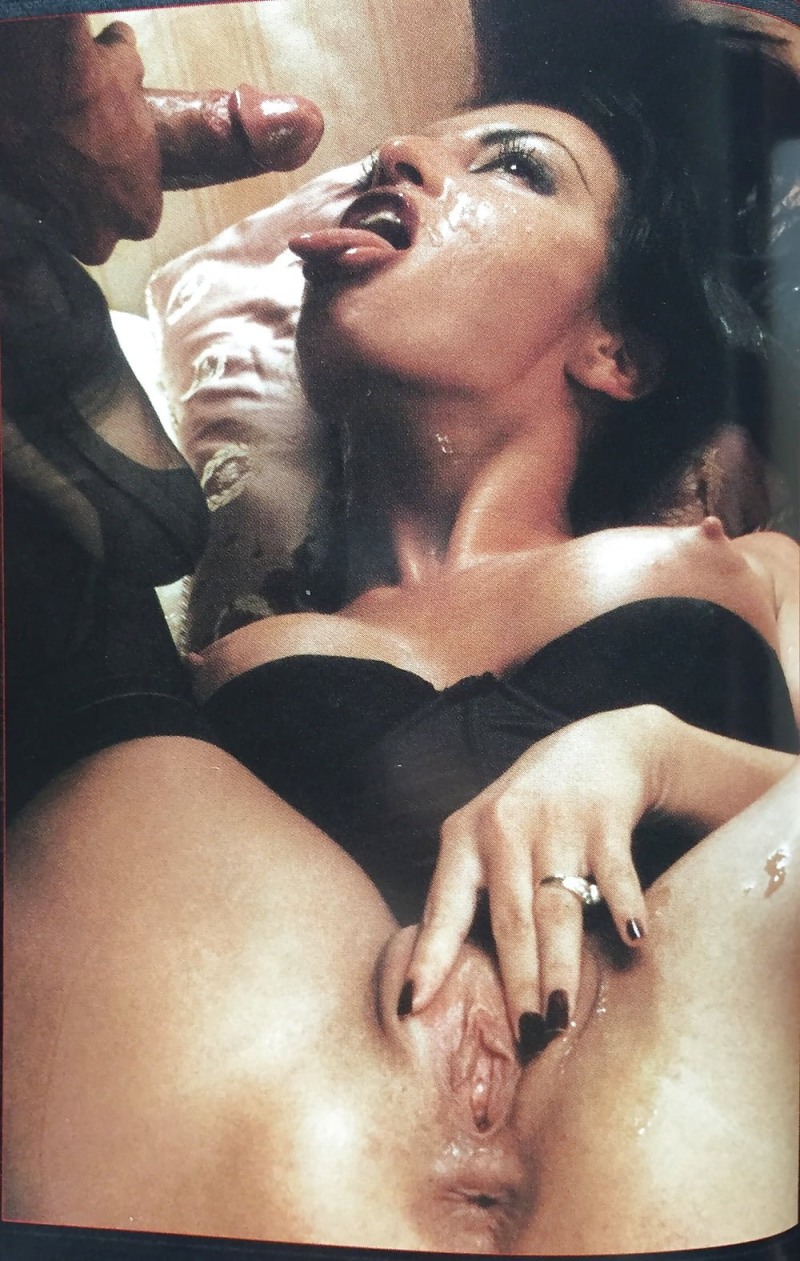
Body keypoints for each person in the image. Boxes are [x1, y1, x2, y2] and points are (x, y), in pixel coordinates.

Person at [3, 2, 799, 1254]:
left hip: (692, 1133)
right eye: (400, 150)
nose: (395, 156)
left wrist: (655, 754)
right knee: (91, 713)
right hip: (251, 1161)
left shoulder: (743, 567)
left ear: (617, 351)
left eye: (516, 168)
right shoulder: (215, 666)